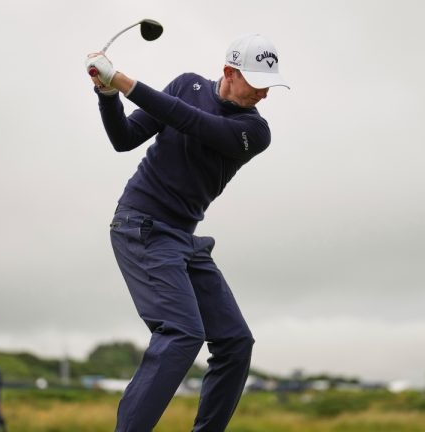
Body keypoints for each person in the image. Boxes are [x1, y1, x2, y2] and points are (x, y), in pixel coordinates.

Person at [85, 33, 289, 431]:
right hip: (141, 226)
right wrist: (107, 94)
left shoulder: (254, 130)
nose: (263, 94)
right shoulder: (186, 85)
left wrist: (122, 81)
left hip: (183, 239)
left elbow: (190, 121)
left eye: (269, 86)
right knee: (182, 333)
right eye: (256, 83)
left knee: (235, 342)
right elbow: (124, 139)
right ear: (229, 71)